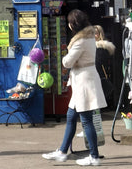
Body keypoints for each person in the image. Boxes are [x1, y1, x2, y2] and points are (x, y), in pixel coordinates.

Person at [42, 9, 107, 166]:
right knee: (71, 116)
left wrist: (65, 56)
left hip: (83, 81)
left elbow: (67, 62)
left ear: (73, 25)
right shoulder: (89, 37)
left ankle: (94, 156)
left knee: (86, 120)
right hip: (85, 79)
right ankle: (63, 151)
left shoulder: (80, 41)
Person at [94, 25, 115, 106]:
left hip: (98, 76)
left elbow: (98, 62)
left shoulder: (101, 47)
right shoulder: (95, 46)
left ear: (100, 34)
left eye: (95, 33)